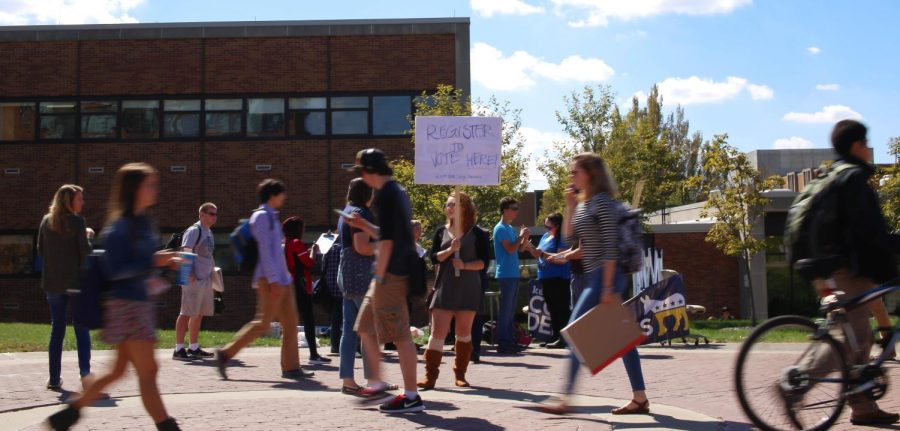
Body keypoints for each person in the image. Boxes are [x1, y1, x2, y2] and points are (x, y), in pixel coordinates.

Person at [46, 163, 183, 431]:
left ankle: (68, 415)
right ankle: (167, 427)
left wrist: (162, 263)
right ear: (135, 190)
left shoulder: (144, 222)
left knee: (119, 371)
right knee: (148, 373)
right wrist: (158, 260)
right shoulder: (121, 227)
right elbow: (115, 267)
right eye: (150, 185)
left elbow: (141, 263)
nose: (155, 189)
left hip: (138, 303)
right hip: (127, 306)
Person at [796, 120, 898, 426]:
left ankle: (863, 407)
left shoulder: (836, 176)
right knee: (852, 336)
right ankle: (796, 384)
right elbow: (868, 231)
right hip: (839, 267)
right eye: (867, 144)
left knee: (856, 337)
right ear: (857, 146)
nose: (869, 149)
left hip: (823, 266)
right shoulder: (852, 178)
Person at [539, 153, 650, 416]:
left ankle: (565, 398)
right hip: (594, 276)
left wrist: (609, 287)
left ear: (590, 173)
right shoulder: (584, 203)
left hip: (605, 275)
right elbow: (569, 238)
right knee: (621, 339)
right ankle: (640, 397)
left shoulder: (602, 202)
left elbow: (611, 246)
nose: (571, 176)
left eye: (574, 171)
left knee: (576, 333)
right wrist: (569, 204)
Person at [344, 148, 425, 413]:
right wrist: (364, 226)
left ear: (367, 172)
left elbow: (389, 241)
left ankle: (411, 396)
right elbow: (390, 233)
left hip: (390, 274)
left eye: (361, 173)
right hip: (387, 272)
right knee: (365, 325)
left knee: (400, 335)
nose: (362, 178)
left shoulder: (387, 195)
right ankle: (377, 383)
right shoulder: (395, 191)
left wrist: (379, 275)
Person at [214, 179, 314, 381]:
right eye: (281, 193)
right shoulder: (261, 217)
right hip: (269, 280)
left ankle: (291, 367)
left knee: (290, 322)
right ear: (273, 195)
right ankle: (225, 354)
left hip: (281, 279)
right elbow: (266, 252)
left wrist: (283, 278)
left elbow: (275, 252)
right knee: (263, 323)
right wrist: (273, 280)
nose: (284, 197)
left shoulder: (272, 217)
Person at [417, 192, 490, 390]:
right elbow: (434, 258)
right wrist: (449, 251)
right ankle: (430, 376)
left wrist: (465, 265)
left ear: (465, 207)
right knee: (438, 332)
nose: (449, 208)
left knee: (463, 333)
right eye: (447, 204)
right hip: (445, 286)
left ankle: (460, 374)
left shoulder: (478, 233)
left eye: (454, 205)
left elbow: (484, 263)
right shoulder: (441, 232)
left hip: (468, 287)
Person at [38, 185, 96, 392]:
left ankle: (54, 378)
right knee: (81, 328)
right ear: (70, 201)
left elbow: (41, 250)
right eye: (80, 199)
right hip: (76, 285)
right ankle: (85, 375)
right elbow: (85, 254)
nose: (82, 202)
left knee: (57, 331)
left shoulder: (46, 221)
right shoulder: (78, 222)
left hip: (53, 284)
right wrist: (88, 235)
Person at [336, 177, 379, 395]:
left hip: (347, 275)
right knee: (369, 330)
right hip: (361, 276)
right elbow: (362, 247)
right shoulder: (361, 214)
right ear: (367, 194)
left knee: (350, 330)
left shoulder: (347, 211)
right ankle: (373, 381)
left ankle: (348, 380)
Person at [172, 202, 218, 361]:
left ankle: (193, 347)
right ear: (202, 214)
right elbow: (185, 251)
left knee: (198, 314)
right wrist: (188, 273)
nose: (214, 217)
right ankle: (178, 349)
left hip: (204, 278)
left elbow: (207, 255)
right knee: (186, 312)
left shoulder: (209, 232)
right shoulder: (194, 231)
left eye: (215, 214)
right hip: (192, 278)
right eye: (211, 213)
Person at [283, 216, 331, 365]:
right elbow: (309, 263)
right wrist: (314, 251)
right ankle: (313, 355)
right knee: (308, 320)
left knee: (291, 320)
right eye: (302, 227)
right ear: (297, 229)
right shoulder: (297, 243)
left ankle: (290, 357)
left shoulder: (286, 243)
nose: (304, 230)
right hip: (301, 285)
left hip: (291, 284)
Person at [522, 212, 571, 348]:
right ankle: (555, 335)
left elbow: (562, 257)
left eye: (549, 227)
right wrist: (529, 246)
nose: (547, 229)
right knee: (551, 308)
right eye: (545, 226)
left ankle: (564, 338)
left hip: (559, 278)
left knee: (561, 308)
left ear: (557, 225)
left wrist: (542, 253)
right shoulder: (545, 236)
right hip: (545, 278)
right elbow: (537, 254)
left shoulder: (562, 238)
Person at [492, 197, 530, 354]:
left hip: (513, 273)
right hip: (505, 274)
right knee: (505, 311)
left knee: (510, 311)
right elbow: (509, 249)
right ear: (504, 210)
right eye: (513, 208)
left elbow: (519, 250)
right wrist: (521, 236)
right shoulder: (500, 229)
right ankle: (504, 343)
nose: (516, 211)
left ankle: (510, 341)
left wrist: (525, 238)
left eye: (516, 208)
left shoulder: (510, 228)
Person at [317, 231, 343, 355]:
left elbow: (323, 268)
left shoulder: (327, 250)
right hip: (342, 288)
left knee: (334, 320)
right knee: (346, 319)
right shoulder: (343, 249)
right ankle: (347, 345)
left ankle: (334, 346)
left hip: (329, 288)